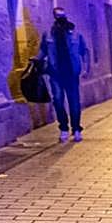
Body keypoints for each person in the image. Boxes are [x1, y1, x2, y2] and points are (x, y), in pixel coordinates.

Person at [37, 7, 89, 143]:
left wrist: (86, 69)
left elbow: (84, 51)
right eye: (57, 16)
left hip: (71, 72)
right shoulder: (48, 33)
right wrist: (37, 61)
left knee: (74, 102)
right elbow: (43, 50)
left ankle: (76, 128)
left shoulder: (75, 32)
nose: (60, 18)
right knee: (58, 101)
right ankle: (64, 127)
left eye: (62, 15)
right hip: (55, 73)